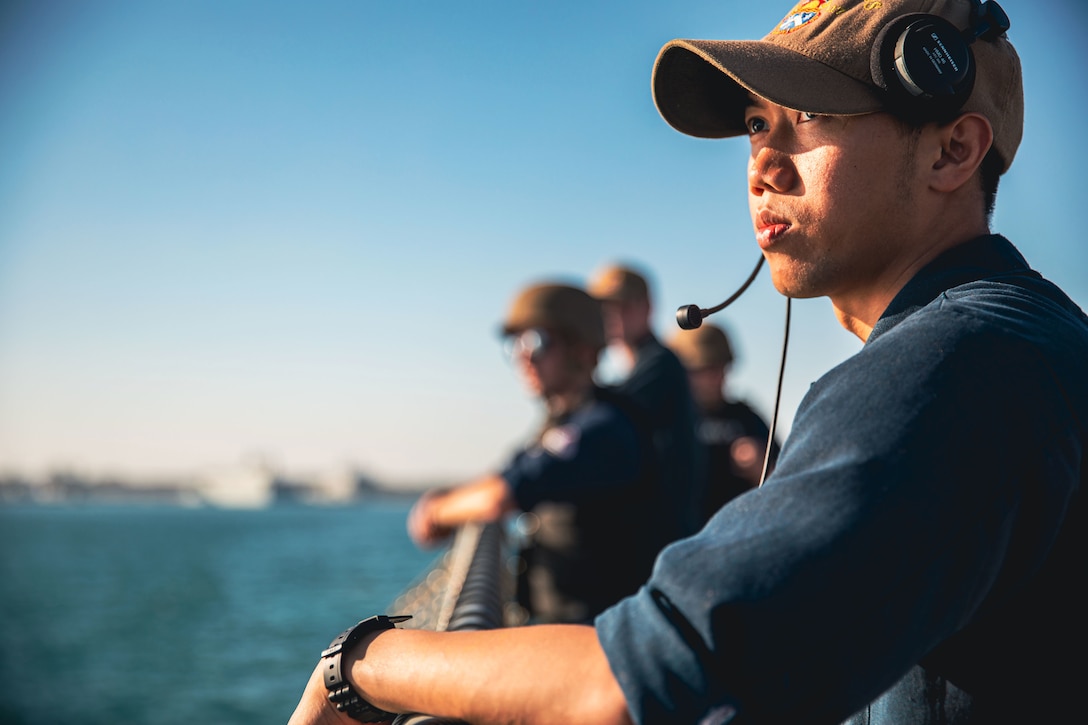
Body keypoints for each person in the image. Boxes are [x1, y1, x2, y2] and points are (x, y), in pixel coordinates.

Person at [290, 2, 1087, 723]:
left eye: (810, 113)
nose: (762, 164)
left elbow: (627, 686)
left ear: (953, 151)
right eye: (754, 122)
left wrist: (357, 664)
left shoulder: (953, 366)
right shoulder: (1020, 339)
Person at [405, 281, 659, 625]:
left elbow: (501, 495)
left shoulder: (602, 428)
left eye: (537, 341)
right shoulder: (561, 423)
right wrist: (454, 498)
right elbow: (508, 473)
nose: (523, 355)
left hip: (598, 638)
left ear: (581, 349)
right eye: (516, 343)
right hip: (564, 629)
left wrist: (434, 511)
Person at [587, 262, 705, 544]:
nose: (614, 315)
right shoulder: (636, 370)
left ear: (648, 308)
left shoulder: (660, 365)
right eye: (606, 308)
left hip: (663, 540)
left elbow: (607, 416)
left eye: (624, 306)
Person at [667, 322, 779, 521]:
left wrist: (761, 468)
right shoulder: (667, 422)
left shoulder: (747, 419)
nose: (716, 377)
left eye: (720, 367)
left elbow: (786, 488)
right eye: (704, 369)